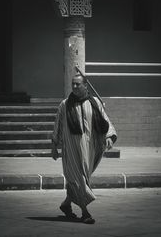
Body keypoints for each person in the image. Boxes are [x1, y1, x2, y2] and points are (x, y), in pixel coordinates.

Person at [51, 74, 117, 224]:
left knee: (81, 179)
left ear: (86, 86)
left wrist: (108, 136)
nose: (74, 87)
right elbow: (57, 126)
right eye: (73, 84)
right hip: (71, 150)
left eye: (78, 84)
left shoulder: (94, 103)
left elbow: (104, 121)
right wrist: (54, 145)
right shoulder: (64, 105)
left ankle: (66, 205)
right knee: (78, 179)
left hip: (90, 149)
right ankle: (85, 213)